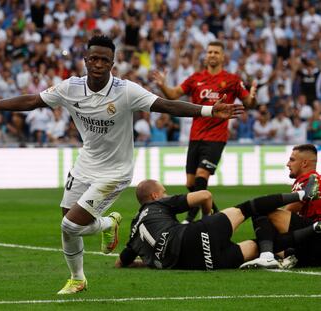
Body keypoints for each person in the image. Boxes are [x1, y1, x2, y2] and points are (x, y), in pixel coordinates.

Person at [0, 35, 243, 294]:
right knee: (66, 221)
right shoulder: (70, 88)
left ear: (112, 63)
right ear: (85, 60)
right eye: (93, 58)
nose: (98, 64)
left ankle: (107, 222)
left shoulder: (126, 90)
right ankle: (78, 277)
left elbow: (165, 105)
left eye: (104, 60)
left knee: (70, 226)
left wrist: (208, 110)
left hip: (116, 170)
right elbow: (33, 100)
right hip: (86, 163)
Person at [152, 41, 257, 223]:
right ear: (206, 56)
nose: (212, 55)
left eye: (216, 52)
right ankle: (216, 216)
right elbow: (174, 95)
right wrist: (162, 86)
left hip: (216, 138)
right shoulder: (195, 78)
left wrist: (253, 97)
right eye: (210, 52)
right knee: (191, 184)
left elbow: (248, 103)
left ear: (223, 57)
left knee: (201, 177)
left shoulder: (232, 80)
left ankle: (191, 217)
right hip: (196, 136)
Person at [115, 178, 321, 270]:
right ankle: (305, 194)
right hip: (194, 235)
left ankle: (301, 241)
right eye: (164, 191)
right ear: (155, 195)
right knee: (248, 208)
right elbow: (205, 195)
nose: (166, 194)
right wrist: (208, 218)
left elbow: (121, 263)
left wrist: (147, 262)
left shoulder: (134, 232)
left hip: (198, 263)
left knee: (261, 245)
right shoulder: (159, 204)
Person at [241, 144, 321, 268]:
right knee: (266, 243)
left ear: (304, 163)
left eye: (292, 160)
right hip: (311, 244)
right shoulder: (313, 179)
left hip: (315, 238)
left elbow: (284, 214)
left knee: (261, 210)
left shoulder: (309, 181)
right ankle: (271, 254)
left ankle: (266, 257)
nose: (288, 164)